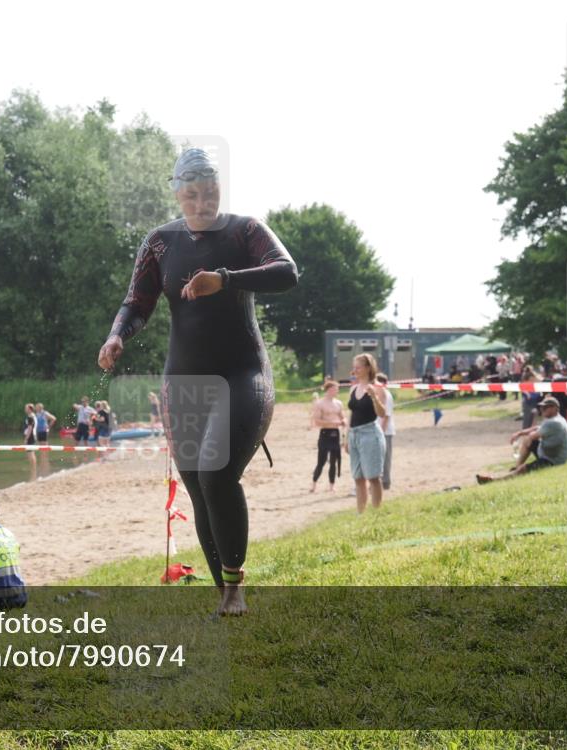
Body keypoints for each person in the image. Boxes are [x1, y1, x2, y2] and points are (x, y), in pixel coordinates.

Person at [97, 148, 298, 616]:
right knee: (196, 482)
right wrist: (116, 336)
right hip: (184, 378)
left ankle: (236, 587)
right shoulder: (160, 242)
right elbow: (137, 302)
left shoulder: (245, 230)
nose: (203, 202)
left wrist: (224, 279)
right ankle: (223, 593)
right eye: (192, 194)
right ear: (177, 193)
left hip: (242, 373)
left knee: (217, 472)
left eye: (210, 192)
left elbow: (287, 272)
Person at [476, 398, 567, 483]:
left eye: (546, 407)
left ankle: (494, 480)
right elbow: (538, 428)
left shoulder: (553, 422)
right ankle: (516, 467)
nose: (542, 409)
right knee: (527, 441)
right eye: (542, 407)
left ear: (555, 408)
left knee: (524, 469)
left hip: (553, 460)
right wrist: (520, 433)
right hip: (552, 454)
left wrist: (526, 433)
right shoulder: (557, 418)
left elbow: (533, 436)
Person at [344, 354, 388, 512]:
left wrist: (374, 397)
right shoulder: (353, 388)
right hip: (354, 434)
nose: (354, 370)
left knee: (373, 477)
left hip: (370, 434)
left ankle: (376, 512)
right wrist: (346, 438)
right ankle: (361, 513)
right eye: (354, 366)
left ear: (368, 368)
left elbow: (382, 414)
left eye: (358, 367)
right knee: (358, 477)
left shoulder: (378, 388)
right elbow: (351, 415)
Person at [309, 379, 346, 493]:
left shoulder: (338, 403)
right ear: (329, 390)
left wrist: (344, 421)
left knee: (334, 461)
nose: (337, 391)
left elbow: (342, 416)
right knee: (322, 461)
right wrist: (333, 423)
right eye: (335, 389)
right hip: (325, 434)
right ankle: (314, 483)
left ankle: (331, 485)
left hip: (335, 434)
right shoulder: (320, 403)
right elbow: (317, 421)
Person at [375, 372, 396, 491]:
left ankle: (385, 482)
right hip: (378, 429)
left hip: (385, 431)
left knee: (385, 457)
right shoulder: (377, 395)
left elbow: (386, 416)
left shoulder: (387, 395)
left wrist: (381, 432)